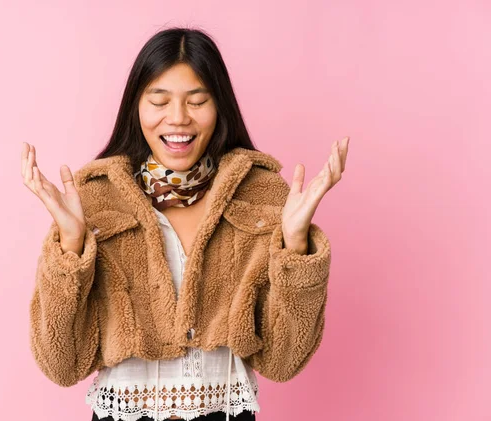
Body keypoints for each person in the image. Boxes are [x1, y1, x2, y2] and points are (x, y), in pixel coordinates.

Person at [21, 27, 349, 421]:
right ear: (135, 107)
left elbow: (283, 362)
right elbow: (61, 365)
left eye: (197, 101)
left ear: (219, 106)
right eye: (158, 101)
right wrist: (71, 247)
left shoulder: (260, 196)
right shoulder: (93, 200)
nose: (178, 119)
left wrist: (295, 247)